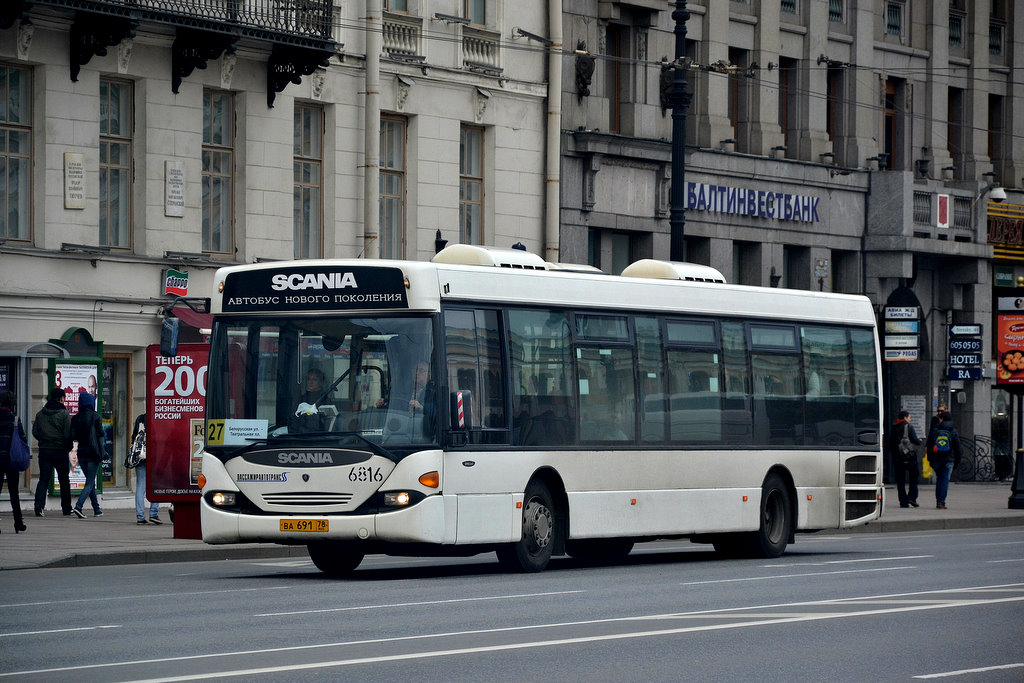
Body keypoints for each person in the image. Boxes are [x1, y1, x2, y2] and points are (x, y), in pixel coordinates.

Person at [32, 387, 74, 517]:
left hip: (45, 450)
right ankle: (66, 508)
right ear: (61, 398)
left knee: (43, 479)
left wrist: (44, 441)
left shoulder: (40, 414)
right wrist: (68, 447)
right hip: (60, 450)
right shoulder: (64, 413)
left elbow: (35, 432)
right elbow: (67, 434)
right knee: (63, 479)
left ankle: (39, 507)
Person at [70, 391, 104, 518]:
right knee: (90, 482)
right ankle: (79, 506)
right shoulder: (95, 416)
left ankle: (97, 509)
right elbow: (101, 433)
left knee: (90, 482)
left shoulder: (76, 418)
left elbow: (73, 436)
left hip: (82, 453)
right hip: (93, 453)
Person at [0, 390, 28, 534]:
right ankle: (18, 522)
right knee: (14, 493)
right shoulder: (15, 420)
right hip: (12, 460)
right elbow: (23, 439)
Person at [926, 409, 962, 510]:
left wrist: (930, 460)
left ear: (941, 419)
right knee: (944, 480)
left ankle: (938, 500)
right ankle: (941, 502)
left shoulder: (935, 430)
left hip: (937, 459)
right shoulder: (953, 431)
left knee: (939, 479)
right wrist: (957, 461)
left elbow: (930, 446)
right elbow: (958, 448)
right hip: (949, 459)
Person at [131, 413, 162, 525]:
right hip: (154, 456)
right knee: (156, 485)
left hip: (140, 457)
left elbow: (134, 437)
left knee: (140, 487)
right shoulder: (157, 417)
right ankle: (153, 513)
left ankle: (140, 517)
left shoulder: (140, 418)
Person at [888, 410, 922, 508]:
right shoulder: (909, 427)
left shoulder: (894, 427)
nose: (910, 419)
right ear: (905, 418)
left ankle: (903, 501)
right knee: (914, 478)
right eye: (909, 417)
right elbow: (915, 440)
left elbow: (890, 444)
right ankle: (911, 497)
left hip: (898, 459)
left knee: (900, 481)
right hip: (910, 458)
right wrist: (919, 441)